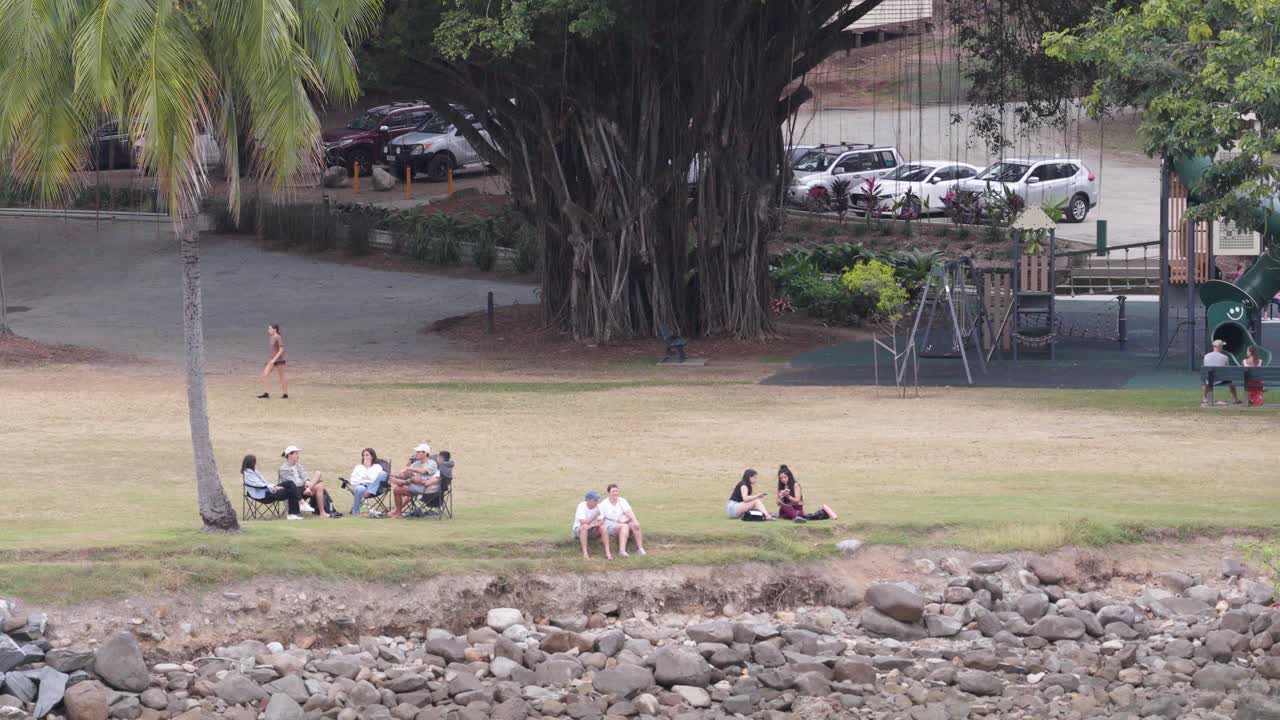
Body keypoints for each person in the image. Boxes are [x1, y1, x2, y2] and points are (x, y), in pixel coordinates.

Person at [279, 446, 339, 518]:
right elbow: (293, 484)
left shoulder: (298, 465)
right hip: (294, 493)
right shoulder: (284, 469)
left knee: (318, 475)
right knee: (318, 484)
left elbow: (304, 476)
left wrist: (307, 482)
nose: (298, 456)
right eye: (296, 454)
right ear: (289, 455)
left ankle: (322, 513)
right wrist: (307, 484)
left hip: (304, 490)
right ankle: (321, 512)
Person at [242, 454, 303, 520]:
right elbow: (258, 484)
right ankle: (295, 511)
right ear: (250, 463)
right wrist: (272, 488)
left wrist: (274, 486)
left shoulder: (255, 471)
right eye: (254, 461)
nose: (255, 463)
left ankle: (296, 510)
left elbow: (265, 482)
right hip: (263, 495)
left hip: (268, 490)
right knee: (290, 490)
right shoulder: (247, 474)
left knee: (290, 483)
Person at [389, 443, 439, 518]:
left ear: (425, 453)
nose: (416, 453)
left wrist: (408, 468)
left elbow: (423, 471)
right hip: (415, 485)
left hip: (426, 488)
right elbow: (405, 473)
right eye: (417, 452)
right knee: (397, 488)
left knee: (398, 489)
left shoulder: (432, 463)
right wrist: (396, 475)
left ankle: (397, 512)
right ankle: (397, 512)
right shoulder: (416, 463)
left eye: (418, 452)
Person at [600, 483, 646, 557]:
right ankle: (622, 551)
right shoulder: (603, 504)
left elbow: (628, 511)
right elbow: (601, 519)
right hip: (610, 525)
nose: (615, 493)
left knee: (634, 524)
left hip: (623, 521)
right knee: (624, 526)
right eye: (613, 491)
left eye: (616, 491)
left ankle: (640, 549)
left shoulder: (622, 500)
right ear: (609, 493)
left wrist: (635, 520)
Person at [344, 448, 388, 516]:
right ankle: (356, 512)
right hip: (363, 486)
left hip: (376, 488)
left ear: (372, 456)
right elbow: (353, 480)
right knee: (359, 489)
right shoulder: (358, 467)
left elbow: (376, 479)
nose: (365, 457)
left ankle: (369, 492)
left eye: (367, 455)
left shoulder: (377, 467)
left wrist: (367, 473)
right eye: (363, 455)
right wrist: (365, 476)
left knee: (383, 473)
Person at [572, 490, 611, 560]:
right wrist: (594, 515)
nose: (597, 502)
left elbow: (601, 521)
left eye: (597, 500)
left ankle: (608, 553)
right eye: (595, 500)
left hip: (592, 529)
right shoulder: (581, 506)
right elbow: (583, 523)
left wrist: (592, 526)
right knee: (584, 527)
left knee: (603, 527)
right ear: (588, 500)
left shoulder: (598, 506)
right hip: (579, 530)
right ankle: (585, 553)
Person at [1201, 339, 1242, 406]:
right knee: (1230, 381)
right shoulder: (1225, 357)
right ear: (1219, 347)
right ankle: (1235, 399)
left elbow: (1205, 368)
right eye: (1222, 346)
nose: (1222, 347)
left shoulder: (1206, 356)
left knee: (1204, 379)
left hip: (1209, 380)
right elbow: (1227, 370)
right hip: (1221, 380)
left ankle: (1204, 398)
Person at [258, 324, 288, 399]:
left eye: (270, 329)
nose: (268, 330)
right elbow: (273, 350)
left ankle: (285, 394)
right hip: (272, 360)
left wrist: (274, 359)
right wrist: (271, 359)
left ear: (275, 330)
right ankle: (266, 393)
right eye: (268, 329)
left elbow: (281, 350)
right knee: (265, 374)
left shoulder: (278, 337)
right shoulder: (271, 337)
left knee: (281, 377)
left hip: (279, 360)